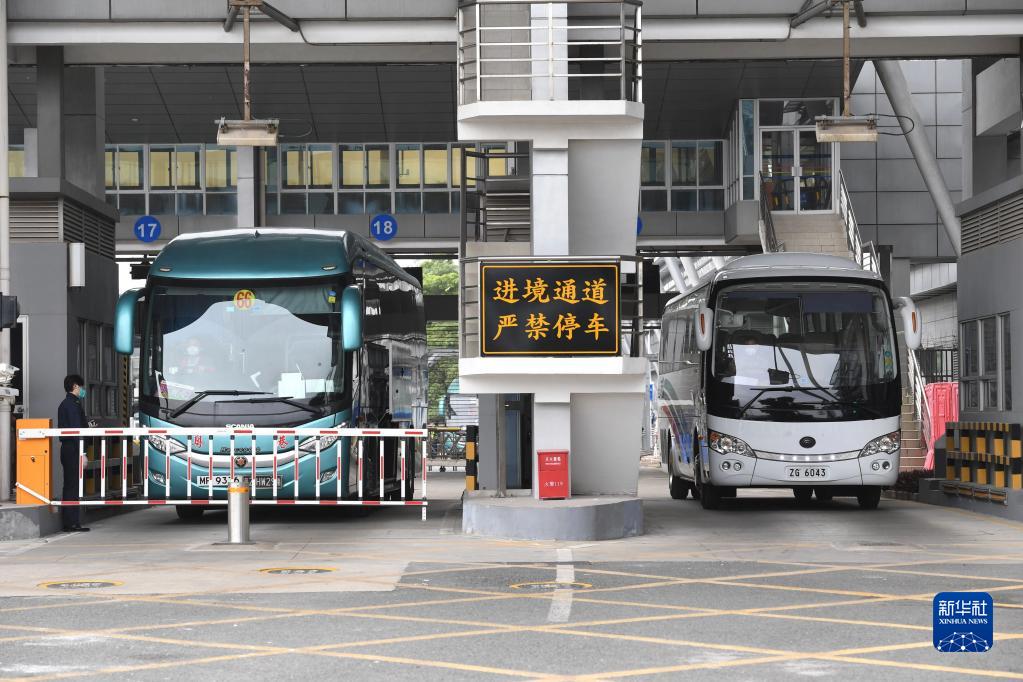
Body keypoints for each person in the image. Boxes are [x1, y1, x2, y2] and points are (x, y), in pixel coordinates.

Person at [57, 374, 90, 532]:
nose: (83, 390)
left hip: (69, 449)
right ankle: (71, 523)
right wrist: (83, 453)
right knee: (72, 486)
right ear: (75, 386)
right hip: (73, 449)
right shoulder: (72, 405)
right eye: (81, 387)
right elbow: (76, 430)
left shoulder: (67, 404)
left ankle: (71, 522)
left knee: (71, 485)